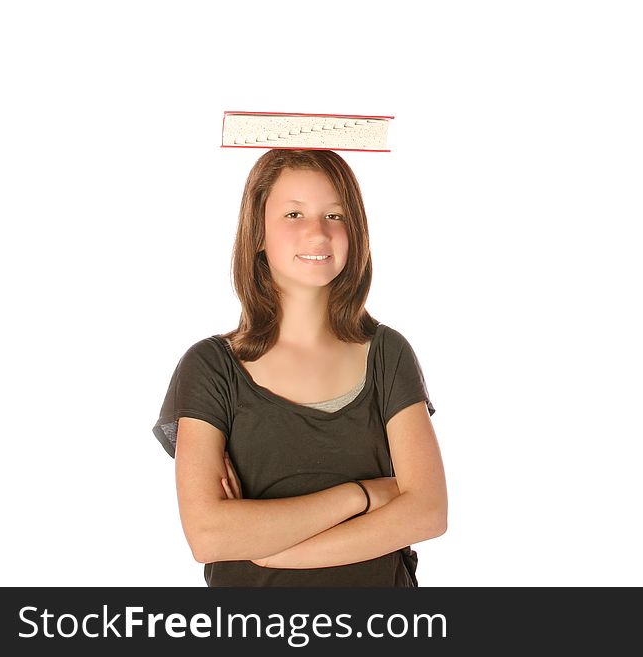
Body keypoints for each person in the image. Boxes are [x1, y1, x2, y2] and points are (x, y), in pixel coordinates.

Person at [151, 148, 447, 586]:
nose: (318, 233)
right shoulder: (211, 368)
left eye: (335, 215)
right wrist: (364, 495)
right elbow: (209, 535)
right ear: (258, 232)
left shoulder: (388, 354)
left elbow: (427, 512)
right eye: (293, 215)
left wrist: (274, 551)